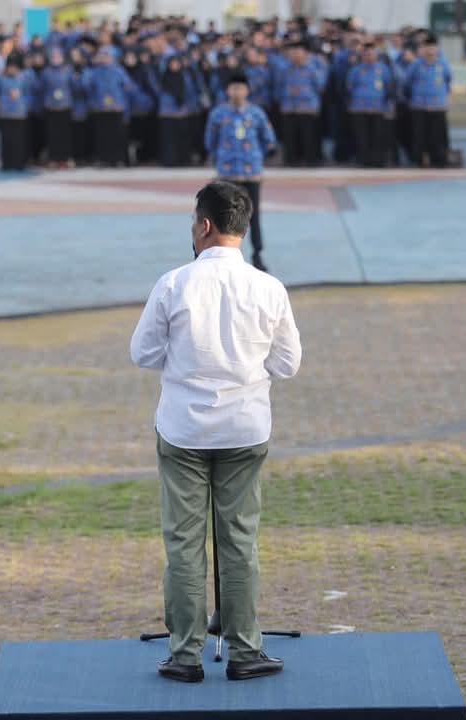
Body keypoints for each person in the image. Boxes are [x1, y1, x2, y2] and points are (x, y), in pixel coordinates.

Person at [130, 181, 302, 684]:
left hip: (183, 430)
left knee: (184, 543)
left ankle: (185, 654)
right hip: (244, 427)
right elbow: (288, 363)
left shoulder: (174, 284)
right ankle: (245, 648)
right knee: (239, 541)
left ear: (204, 225)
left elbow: (142, 352)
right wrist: (248, 369)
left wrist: (184, 362)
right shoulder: (269, 288)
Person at [204, 74, 277, 271]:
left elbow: (268, 139)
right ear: (228, 90)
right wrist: (220, 157)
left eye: (241, 88)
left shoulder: (256, 113)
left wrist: (256, 157)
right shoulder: (219, 114)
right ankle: (223, 257)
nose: (237, 92)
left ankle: (257, 254)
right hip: (227, 173)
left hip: (251, 173)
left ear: (247, 90)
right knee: (224, 217)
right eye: (234, 88)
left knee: (254, 215)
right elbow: (210, 141)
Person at [404, 34, 452, 168]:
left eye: (432, 47)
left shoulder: (442, 64)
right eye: (427, 47)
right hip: (419, 105)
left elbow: (448, 80)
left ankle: (439, 160)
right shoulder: (416, 64)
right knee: (420, 135)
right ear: (422, 49)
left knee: (437, 135)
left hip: (438, 105)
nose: (430, 50)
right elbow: (407, 83)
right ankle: (419, 160)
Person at [345, 42, 395, 167]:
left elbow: (389, 88)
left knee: (378, 135)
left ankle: (378, 160)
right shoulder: (356, 70)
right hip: (359, 107)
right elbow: (349, 88)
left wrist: (388, 106)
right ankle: (363, 160)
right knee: (361, 136)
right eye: (366, 54)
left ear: (376, 55)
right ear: (362, 55)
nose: (369, 56)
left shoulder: (383, 69)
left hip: (378, 108)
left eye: (371, 54)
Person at [276, 41, 325, 166]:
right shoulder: (284, 69)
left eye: (298, 53)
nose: (295, 55)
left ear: (306, 54)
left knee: (309, 135)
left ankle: (310, 160)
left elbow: (320, 86)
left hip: (308, 107)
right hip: (288, 106)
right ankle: (291, 160)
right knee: (290, 136)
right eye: (293, 53)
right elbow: (279, 86)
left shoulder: (312, 69)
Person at [86, 46, 135, 166]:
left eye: (107, 56)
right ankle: (104, 159)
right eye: (103, 56)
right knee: (103, 134)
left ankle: (118, 158)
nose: (105, 58)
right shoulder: (95, 72)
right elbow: (87, 87)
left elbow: (128, 86)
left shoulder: (119, 70)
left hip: (116, 107)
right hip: (101, 107)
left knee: (117, 134)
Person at [0, 53, 31, 170]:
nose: (12, 69)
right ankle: (6, 163)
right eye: (10, 67)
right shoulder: (1, 79)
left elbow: (28, 94)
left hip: (19, 113)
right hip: (5, 113)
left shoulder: (23, 79)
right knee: (6, 140)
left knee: (19, 140)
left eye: (14, 67)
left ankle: (19, 162)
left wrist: (23, 103)